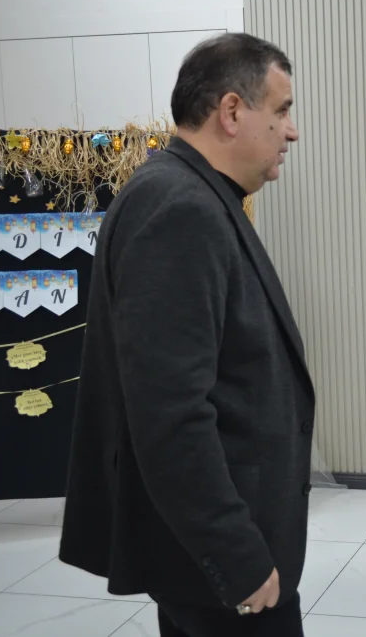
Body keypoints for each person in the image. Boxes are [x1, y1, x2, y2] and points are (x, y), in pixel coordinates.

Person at [59, 33, 312, 637]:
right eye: (281, 110)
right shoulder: (180, 208)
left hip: (210, 544)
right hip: (221, 558)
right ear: (232, 111)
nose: (292, 131)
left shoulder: (194, 194)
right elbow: (169, 413)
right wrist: (236, 556)